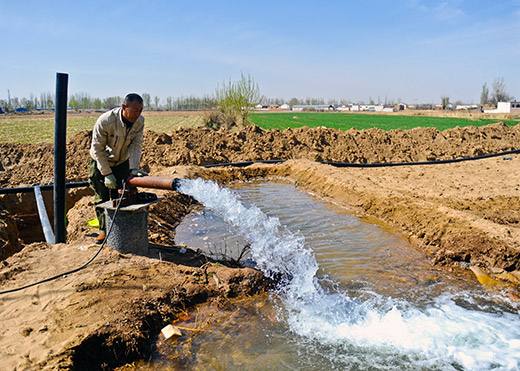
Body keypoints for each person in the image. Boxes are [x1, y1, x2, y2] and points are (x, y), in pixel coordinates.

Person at [89, 93, 148, 243]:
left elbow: (136, 145)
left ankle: (119, 231)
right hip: (102, 161)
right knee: (102, 197)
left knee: (122, 194)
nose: (138, 114)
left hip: (122, 161)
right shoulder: (106, 121)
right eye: (135, 110)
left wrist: (133, 168)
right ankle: (103, 230)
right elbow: (97, 149)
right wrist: (107, 173)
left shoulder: (139, 121)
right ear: (124, 107)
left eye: (141, 110)